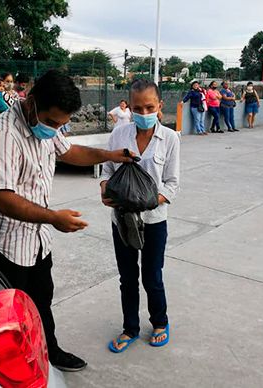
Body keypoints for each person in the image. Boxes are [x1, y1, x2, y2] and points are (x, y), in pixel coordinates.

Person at [0, 69, 135, 372]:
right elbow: (1, 197)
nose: (55, 129)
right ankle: (14, 370)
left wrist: (109, 155)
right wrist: (53, 218)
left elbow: (70, 151)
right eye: (51, 122)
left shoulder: (47, 124)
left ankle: (50, 351)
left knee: (41, 302)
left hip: (34, 241)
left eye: (61, 123)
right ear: (31, 103)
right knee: (6, 316)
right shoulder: (2, 134)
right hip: (1, 244)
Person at [100, 79, 180, 353]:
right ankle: (130, 328)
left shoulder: (169, 138)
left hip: (154, 220)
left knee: (152, 276)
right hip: (121, 220)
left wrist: (146, 201)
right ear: (129, 107)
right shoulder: (119, 134)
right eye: (137, 108)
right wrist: (104, 189)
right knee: (127, 277)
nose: (143, 113)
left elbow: (172, 183)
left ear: (160, 106)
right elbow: (107, 171)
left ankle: (160, 322)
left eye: (149, 107)